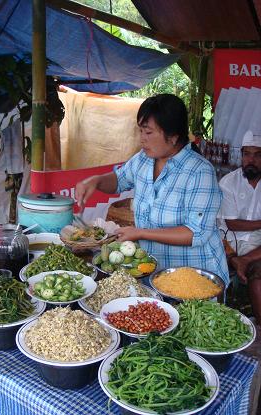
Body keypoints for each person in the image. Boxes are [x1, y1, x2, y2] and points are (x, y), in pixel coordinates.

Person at [75, 94, 229, 285]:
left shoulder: (199, 172)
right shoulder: (144, 159)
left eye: (148, 133)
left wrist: (141, 233)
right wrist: (96, 181)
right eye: (140, 131)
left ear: (173, 137)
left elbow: (194, 233)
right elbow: (119, 180)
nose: (142, 139)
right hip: (154, 273)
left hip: (194, 276)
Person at [219, 130, 261, 321]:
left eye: (257, 155)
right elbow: (232, 223)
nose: (250, 160)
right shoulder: (229, 183)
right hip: (229, 241)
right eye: (247, 154)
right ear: (241, 155)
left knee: (258, 277)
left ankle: (259, 327)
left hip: (257, 246)